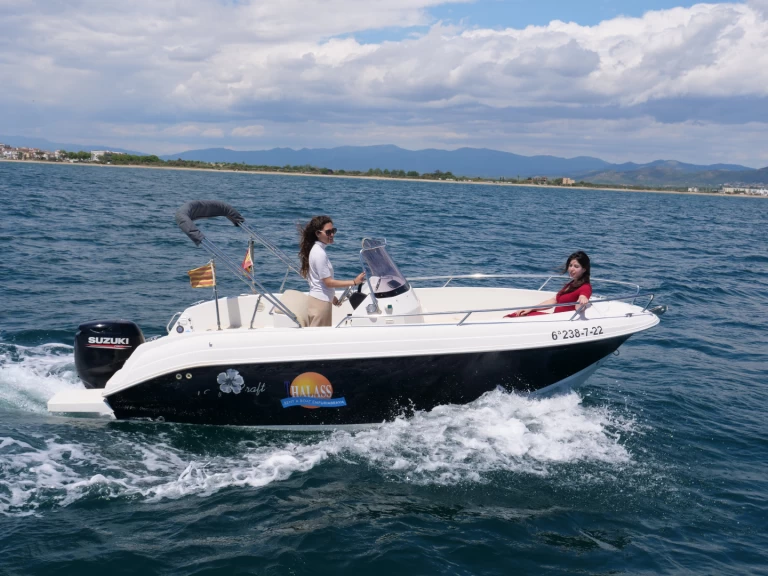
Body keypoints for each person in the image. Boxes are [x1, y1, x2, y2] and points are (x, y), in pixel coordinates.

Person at [298, 216, 366, 327]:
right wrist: (354, 282)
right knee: (320, 337)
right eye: (328, 232)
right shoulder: (319, 254)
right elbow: (328, 282)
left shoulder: (316, 250)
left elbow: (317, 280)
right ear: (318, 234)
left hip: (319, 300)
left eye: (333, 231)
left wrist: (331, 297)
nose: (332, 234)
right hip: (320, 304)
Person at [505, 251, 592, 318]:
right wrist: (531, 308)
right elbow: (553, 300)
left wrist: (582, 301)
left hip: (559, 322)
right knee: (518, 314)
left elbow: (582, 300)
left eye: (576, 266)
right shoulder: (571, 284)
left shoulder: (585, 287)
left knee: (513, 318)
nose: (571, 269)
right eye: (570, 265)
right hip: (553, 317)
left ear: (584, 269)